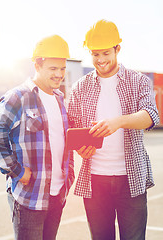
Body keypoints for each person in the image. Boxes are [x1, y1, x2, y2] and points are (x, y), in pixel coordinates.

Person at [68, 19, 159, 240]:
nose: (100, 60)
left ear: (117, 49)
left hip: (131, 179)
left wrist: (117, 122)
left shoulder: (138, 81)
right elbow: (71, 125)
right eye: (95, 54)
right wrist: (81, 148)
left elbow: (150, 116)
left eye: (106, 53)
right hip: (95, 180)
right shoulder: (81, 86)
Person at [0, 35, 75, 240]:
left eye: (62, 69)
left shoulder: (60, 100)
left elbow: (62, 141)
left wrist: (68, 174)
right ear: (37, 64)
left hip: (56, 194)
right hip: (29, 197)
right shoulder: (18, 97)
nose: (59, 74)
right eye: (53, 69)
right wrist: (16, 170)